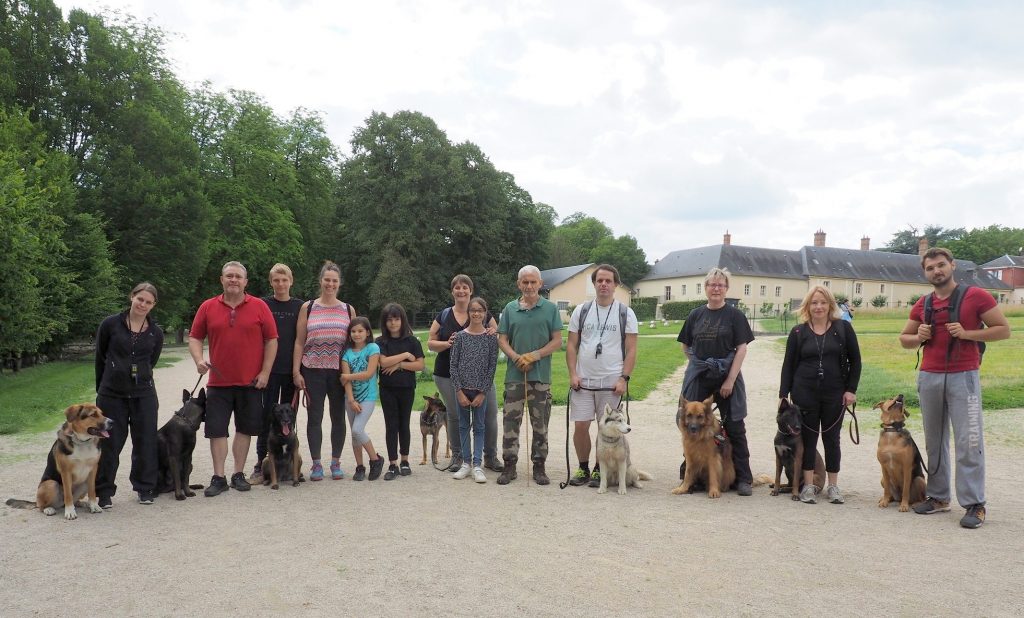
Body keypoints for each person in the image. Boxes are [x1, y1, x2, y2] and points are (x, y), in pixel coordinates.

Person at [899, 247, 1010, 528]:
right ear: (925, 273)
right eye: (930, 268)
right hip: (929, 376)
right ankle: (938, 497)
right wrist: (918, 336)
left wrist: (967, 333)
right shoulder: (923, 303)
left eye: (941, 265)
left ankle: (974, 504)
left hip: (964, 376)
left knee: (968, 441)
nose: (936, 271)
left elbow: (1003, 329)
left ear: (952, 265)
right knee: (935, 440)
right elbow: (904, 338)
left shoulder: (977, 296)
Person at [189, 261, 278, 497]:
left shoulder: (259, 306)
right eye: (229, 276)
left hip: (250, 382)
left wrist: (266, 372)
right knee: (217, 430)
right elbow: (195, 337)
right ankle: (218, 477)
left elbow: (272, 340)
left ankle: (238, 474)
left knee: (244, 429)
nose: (233, 280)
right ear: (222, 279)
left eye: (238, 276)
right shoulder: (208, 307)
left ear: (245, 282)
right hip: (218, 382)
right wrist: (199, 360)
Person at [779, 285, 861, 504]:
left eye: (823, 302)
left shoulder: (842, 328)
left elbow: (856, 361)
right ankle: (809, 485)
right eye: (814, 302)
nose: (819, 307)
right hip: (804, 393)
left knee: (832, 440)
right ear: (807, 306)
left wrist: (851, 390)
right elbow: (788, 365)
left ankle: (833, 486)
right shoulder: (798, 332)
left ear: (830, 305)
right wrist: (783, 394)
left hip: (835, 393)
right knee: (808, 439)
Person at [677, 267, 755, 496]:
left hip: (727, 375)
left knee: (735, 427)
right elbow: (685, 346)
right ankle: (692, 475)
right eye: (712, 284)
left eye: (720, 285)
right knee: (688, 421)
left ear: (726, 288)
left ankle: (743, 478)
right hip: (701, 376)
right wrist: (699, 364)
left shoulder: (735, 316)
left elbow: (741, 349)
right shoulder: (695, 315)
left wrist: (730, 379)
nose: (716, 288)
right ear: (706, 287)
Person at [565, 264, 638, 488]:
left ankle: (600, 469)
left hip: (611, 381)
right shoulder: (581, 310)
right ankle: (583, 466)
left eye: (608, 281)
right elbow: (571, 345)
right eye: (599, 281)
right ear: (594, 284)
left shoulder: (625, 312)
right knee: (580, 426)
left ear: (616, 285)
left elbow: (632, 348)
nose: (604, 284)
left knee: (605, 427)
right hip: (584, 382)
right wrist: (573, 374)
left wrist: (623, 378)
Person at [94, 282, 164, 507]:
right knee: (110, 444)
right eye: (140, 299)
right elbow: (100, 357)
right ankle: (103, 491)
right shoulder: (110, 324)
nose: (143, 304)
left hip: (143, 393)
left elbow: (151, 361)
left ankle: (145, 487)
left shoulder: (155, 332)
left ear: (153, 305)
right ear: (131, 297)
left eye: (148, 302)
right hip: (112, 394)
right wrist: (103, 387)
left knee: (145, 441)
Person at [427, 274, 503, 473]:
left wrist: (493, 332)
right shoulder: (444, 315)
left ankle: (490, 456)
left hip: (480, 376)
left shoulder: (481, 313)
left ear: (471, 290)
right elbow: (430, 342)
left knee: (489, 413)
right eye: (457, 287)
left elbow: (498, 335)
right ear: (452, 291)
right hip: (448, 374)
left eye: (465, 287)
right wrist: (447, 343)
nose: (461, 291)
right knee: (454, 416)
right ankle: (459, 457)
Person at [496, 265, 563, 485]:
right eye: (525, 282)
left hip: (540, 376)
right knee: (510, 422)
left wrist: (533, 356)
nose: (529, 286)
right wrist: (516, 357)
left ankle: (539, 466)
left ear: (540, 284)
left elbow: (557, 341)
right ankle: (509, 465)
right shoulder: (510, 309)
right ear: (519, 284)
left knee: (540, 424)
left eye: (533, 282)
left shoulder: (550, 309)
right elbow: (502, 339)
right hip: (515, 376)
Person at [293, 262, 354, 481]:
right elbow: (299, 342)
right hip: (312, 370)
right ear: (321, 281)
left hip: (339, 372)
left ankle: (336, 462)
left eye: (334, 280)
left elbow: (354, 343)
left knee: (338, 417)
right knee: (314, 417)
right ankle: (316, 464)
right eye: (327, 279)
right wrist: (296, 372)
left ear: (339, 283)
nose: (330, 284)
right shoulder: (308, 308)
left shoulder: (348, 309)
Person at [251, 264, 304, 484]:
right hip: (269, 371)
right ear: (271, 282)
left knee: (289, 418)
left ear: (291, 281)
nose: (281, 284)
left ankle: (291, 464)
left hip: (290, 369)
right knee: (267, 419)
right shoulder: (262, 304)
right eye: (276, 280)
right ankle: (260, 464)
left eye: (284, 280)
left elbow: (301, 340)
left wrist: (297, 370)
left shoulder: (300, 306)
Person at [449, 297, 499, 484]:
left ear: (485, 313)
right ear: (468, 313)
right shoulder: (460, 337)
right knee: (463, 426)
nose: (476, 313)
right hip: (463, 390)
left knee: (479, 427)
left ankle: (478, 464)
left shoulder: (490, 339)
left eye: (480, 310)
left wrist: (483, 392)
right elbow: (453, 366)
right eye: (473, 310)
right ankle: (466, 463)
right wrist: (459, 391)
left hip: (480, 392)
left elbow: (491, 367)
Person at [376, 303, 425, 480]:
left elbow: (420, 364)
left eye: (396, 319)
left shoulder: (412, 341)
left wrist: (399, 364)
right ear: (385, 322)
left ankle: (405, 461)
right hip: (387, 389)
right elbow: (383, 362)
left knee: (404, 424)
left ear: (402, 320)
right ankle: (392, 463)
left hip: (406, 388)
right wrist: (405, 355)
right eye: (389, 320)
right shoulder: (380, 342)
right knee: (391, 425)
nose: (393, 323)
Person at [341, 316, 385, 481]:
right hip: (351, 398)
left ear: (367, 332)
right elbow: (346, 381)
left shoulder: (372, 348)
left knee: (357, 430)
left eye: (360, 331)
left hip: (368, 396)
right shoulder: (346, 353)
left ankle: (375, 459)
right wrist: (351, 400)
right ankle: (359, 466)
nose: (356, 334)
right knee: (354, 435)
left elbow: (369, 373)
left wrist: (348, 376)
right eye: (353, 331)